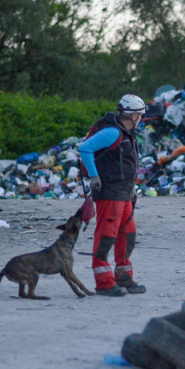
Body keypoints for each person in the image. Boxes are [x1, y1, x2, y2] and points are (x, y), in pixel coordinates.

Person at [78, 94, 147, 297]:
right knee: (106, 235)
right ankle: (104, 283)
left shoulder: (127, 133)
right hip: (109, 192)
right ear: (133, 116)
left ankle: (124, 278)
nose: (141, 119)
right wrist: (93, 176)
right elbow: (85, 148)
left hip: (124, 193)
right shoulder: (112, 132)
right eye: (140, 115)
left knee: (128, 235)